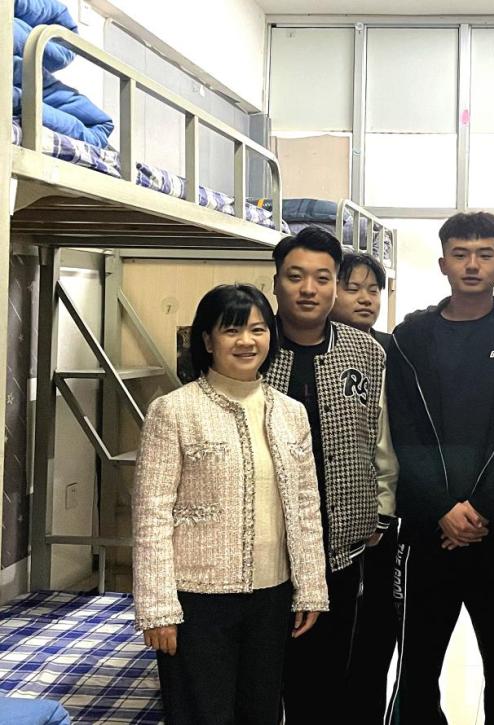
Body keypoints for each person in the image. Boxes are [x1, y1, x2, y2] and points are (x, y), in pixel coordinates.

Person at [133, 284, 328, 725]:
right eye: (231, 330)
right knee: (202, 714)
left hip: (272, 597)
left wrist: (311, 586)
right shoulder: (173, 411)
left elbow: (305, 506)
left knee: (260, 712)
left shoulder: (290, 412)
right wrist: (158, 608)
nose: (246, 341)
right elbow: (151, 515)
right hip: (197, 599)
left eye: (258, 329)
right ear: (207, 340)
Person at [386, 211, 494, 725]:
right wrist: (442, 508)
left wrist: (479, 509)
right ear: (443, 263)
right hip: (426, 531)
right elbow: (405, 432)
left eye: (484, 254)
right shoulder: (410, 338)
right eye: (460, 254)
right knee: (416, 668)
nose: (472, 264)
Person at [265, 228, 398, 723]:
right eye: (295, 277)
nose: (309, 289)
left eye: (322, 278)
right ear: (276, 282)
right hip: (261, 545)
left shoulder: (367, 353)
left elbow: (381, 441)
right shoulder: (253, 344)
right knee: (262, 679)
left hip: (340, 543)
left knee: (323, 678)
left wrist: (380, 512)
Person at [329, 250, 399, 723]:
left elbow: (392, 441)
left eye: (373, 289)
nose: (365, 298)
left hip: (381, 519)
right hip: (330, 520)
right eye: (352, 288)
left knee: (378, 623)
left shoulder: (392, 349)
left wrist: (383, 511)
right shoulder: (304, 349)